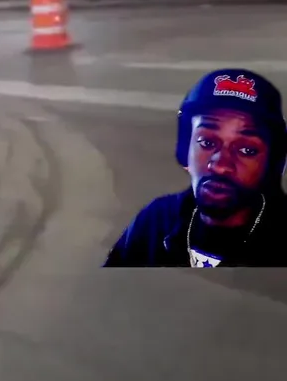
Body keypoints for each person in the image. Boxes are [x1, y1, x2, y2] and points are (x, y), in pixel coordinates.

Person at [106, 69, 287, 267]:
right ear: (185, 149)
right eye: (207, 143)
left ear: (271, 162)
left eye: (246, 150)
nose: (220, 166)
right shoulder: (156, 220)